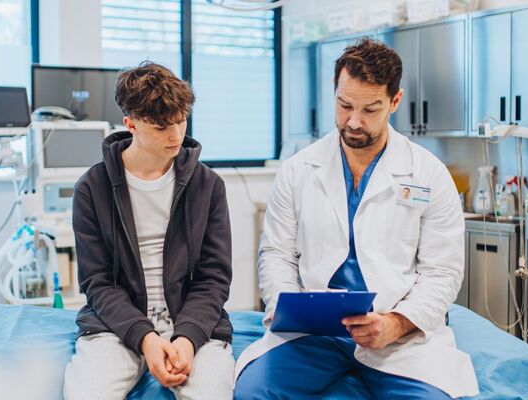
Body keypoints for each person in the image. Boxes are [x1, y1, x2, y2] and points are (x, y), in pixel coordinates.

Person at [234, 38, 479, 399]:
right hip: (314, 333)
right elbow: (277, 255)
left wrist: (397, 323)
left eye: (370, 109)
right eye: (344, 104)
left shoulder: (428, 174)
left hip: (396, 333)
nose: (353, 121)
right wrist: (286, 308)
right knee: (254, 392)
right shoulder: (298, 170)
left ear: (395, 101)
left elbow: (442, 271)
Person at [64, 61, 235, 400]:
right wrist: (147, 337)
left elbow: (214, 278)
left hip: (193, 325)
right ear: (132, 125)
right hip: (116, 327)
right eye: (160, 127)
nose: (176, 136)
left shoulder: (208, 186)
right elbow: (98, 284)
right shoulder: (92, 188)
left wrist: (186, 338)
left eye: (181, 121)